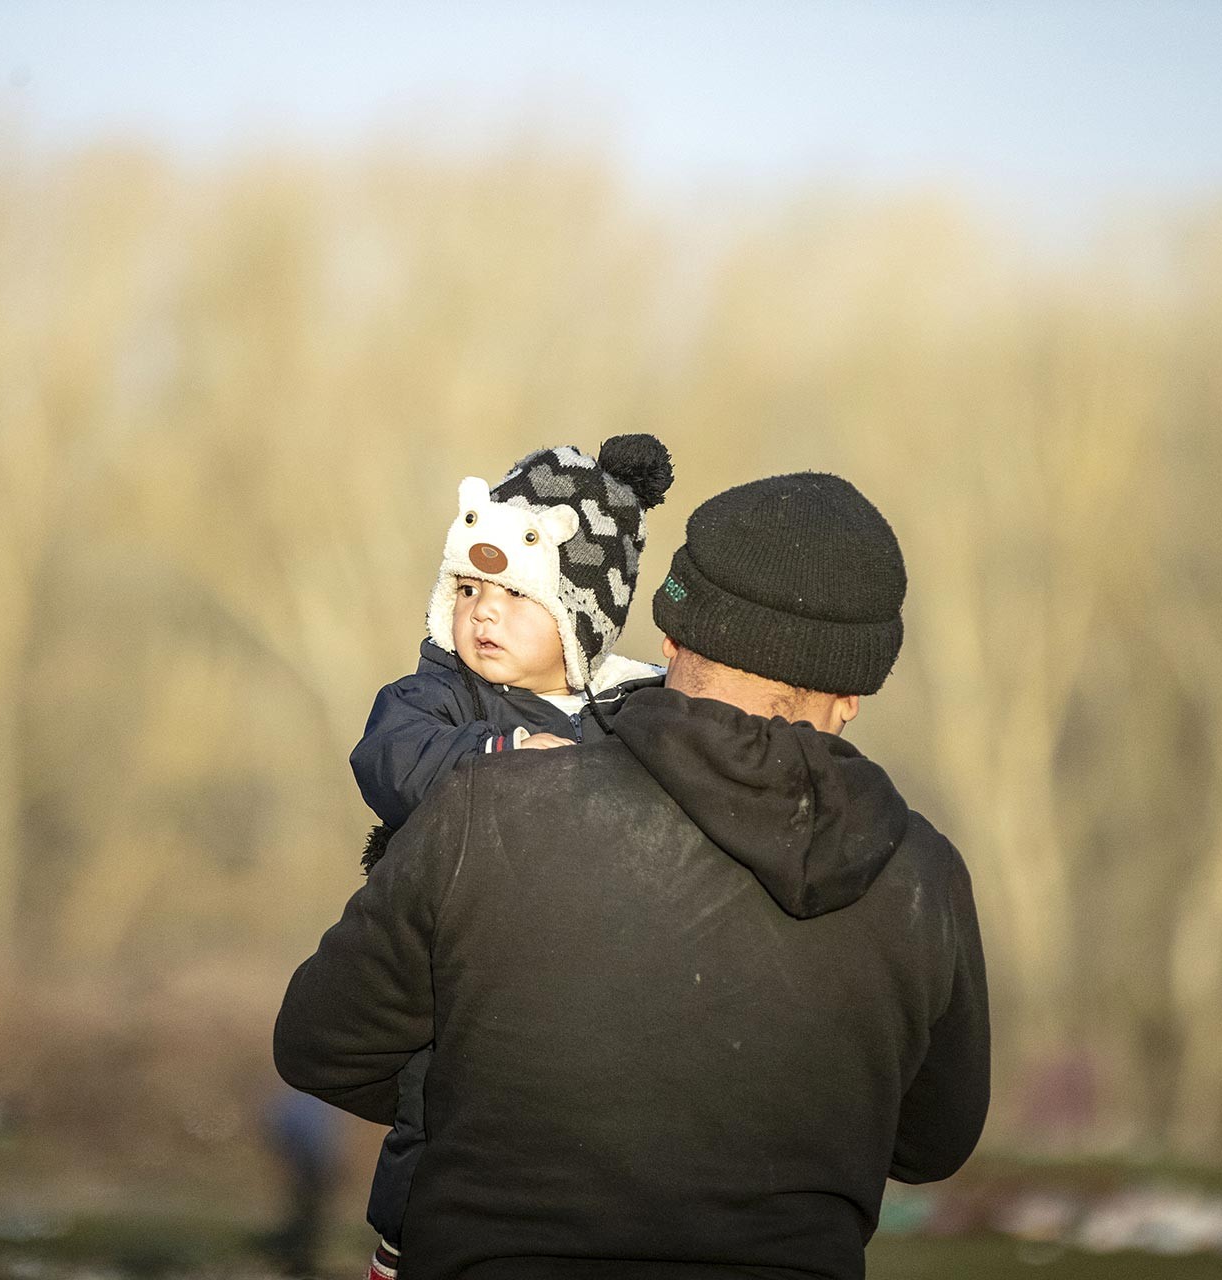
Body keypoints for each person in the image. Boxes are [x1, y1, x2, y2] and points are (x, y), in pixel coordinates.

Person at [276, 472, 990, 1280]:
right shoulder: (921, 874)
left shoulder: (487, 803)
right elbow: (933, 1142)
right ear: (853, 693)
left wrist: (496, 1100)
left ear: (675, 637)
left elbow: (321, 1047)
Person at [349, 434, 676, 1277]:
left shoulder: (634, 716)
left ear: (581, 620)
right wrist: (493, 761)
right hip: (457, 963)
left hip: (585, 981)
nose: (483, 612)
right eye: (468, 587)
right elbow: (387, 756)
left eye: (516, 594)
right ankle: (406, 1239)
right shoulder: (439, 697)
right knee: (439, 1102)